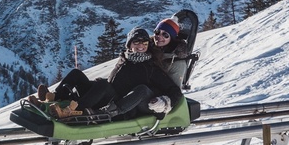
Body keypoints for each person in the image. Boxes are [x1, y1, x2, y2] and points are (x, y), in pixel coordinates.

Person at [33, 27, 183, 121]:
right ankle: (52, 98)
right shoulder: (125, 59)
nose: (141, 46)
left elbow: (175, 91)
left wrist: (164, 102)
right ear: (129, 45)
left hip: (119, 104)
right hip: (106, 94)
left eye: (144, 43)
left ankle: (71, 111)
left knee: (103, 85)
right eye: (136, 43)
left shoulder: (150, 67)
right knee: (76, 74)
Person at [152, 17, 190, 87]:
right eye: (157, 32)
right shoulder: (146, 49)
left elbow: (175, 91)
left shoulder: (177, 63)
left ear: (171, 38)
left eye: (165, 35)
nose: (159, 36)